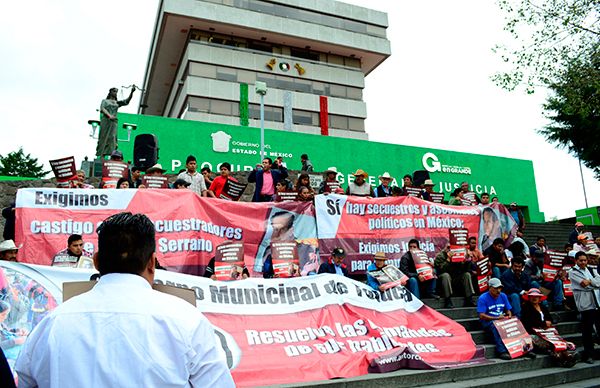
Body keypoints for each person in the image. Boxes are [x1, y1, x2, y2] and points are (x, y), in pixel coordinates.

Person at [15, 212, 235, 387]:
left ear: (97, 262)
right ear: (152, 263)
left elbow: (26, 380)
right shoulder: (187, 320)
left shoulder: (52, 324)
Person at [478, 278, 533, 360]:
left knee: (516, 323)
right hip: (488, 321)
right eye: (496, 288)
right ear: (490, 288)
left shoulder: (503, 295)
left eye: (500, 288)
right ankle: (502, 351)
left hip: (501, 318)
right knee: (496, 326)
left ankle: (526, 349)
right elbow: (481, 315)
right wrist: (496, 318)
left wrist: (509, 315)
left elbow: (508, 309)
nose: (498, 290)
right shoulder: (483, 298)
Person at [568, 251, 600, 364]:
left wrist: (590, 281)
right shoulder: (572, 272)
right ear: (576, 260)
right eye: (581, 260)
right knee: (587, 331)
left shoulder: (591, 269)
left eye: (585, 260)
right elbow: (583, 285)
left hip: (596, 302)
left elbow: (598, 282)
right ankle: (588, 355)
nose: (583, 262)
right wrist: (593, 283)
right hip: (585, 304)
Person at [96, 86, 136, 158]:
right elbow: (102, 109)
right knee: (103, 137)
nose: (115, 93)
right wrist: (109, 115)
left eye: (116, 92)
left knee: (112, 137)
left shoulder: (116, 102)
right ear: (110, 92)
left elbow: (126, 101)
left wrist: (132, 92)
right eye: (114, 91)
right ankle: (102, 156)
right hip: (106, 121)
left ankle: (112, 155)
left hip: (113, 122)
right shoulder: (105, 101)